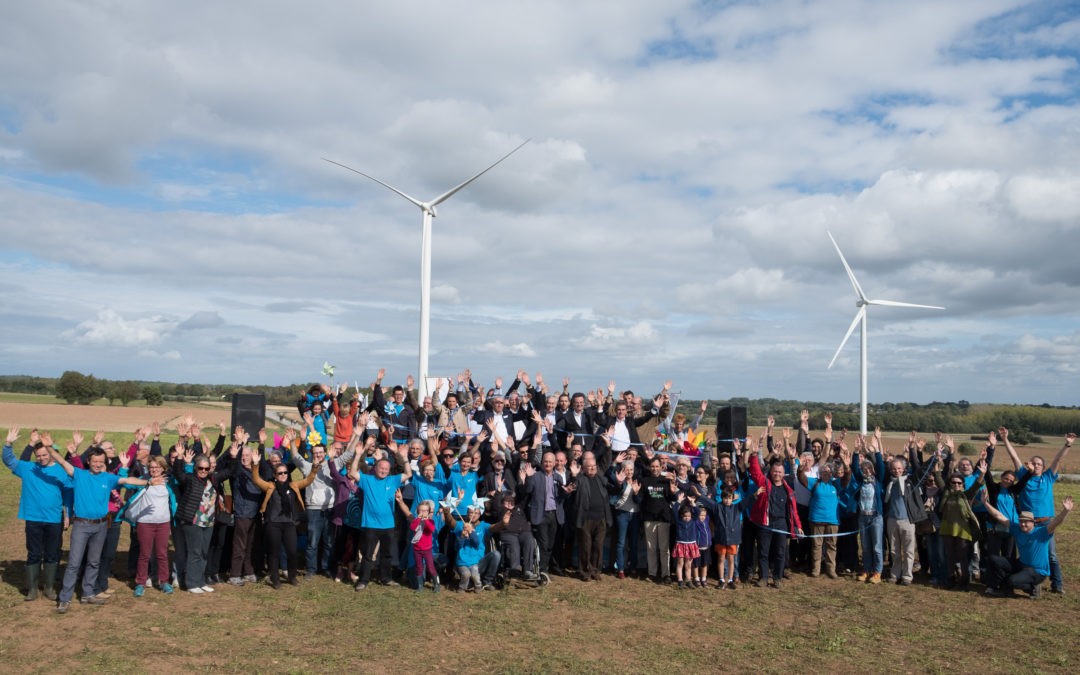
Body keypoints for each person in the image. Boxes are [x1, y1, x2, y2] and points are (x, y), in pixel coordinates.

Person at [48, 444, 148, 613]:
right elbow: (61, 461)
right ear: (89, 461)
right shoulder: (79, 474)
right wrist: (49, 446)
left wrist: (148, 482)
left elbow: (127, 480)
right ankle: (65, 598)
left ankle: (88, 593)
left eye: (101, 462)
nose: (98, 464)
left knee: (94, 562)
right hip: (81, 525)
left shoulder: (108, 478)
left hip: (101, 525)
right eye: (94, 461)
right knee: (74, 563)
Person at [999, 429, 1072, 594]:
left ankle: (1057, 584)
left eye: (1039, 464)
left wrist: (1067, 444)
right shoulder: (1024, 476)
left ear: (1043, 467)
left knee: (1051, 555)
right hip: (1026, 523)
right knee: (1026, 555)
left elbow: (1058, 459)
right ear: (1028, 465)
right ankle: (1030, 583)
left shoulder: (1047, 477)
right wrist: (1005, 439)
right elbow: (1014, 457)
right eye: (1034, 463)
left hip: (1045, 522)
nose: (1036, 466)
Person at [3, 427, 72, 602]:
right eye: (38, 455)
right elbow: (8, 460)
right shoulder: (28, 468)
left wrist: (67, 514)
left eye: (44, 454)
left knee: (52, 553)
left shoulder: (61, 471)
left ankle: (49, 588)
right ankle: (32, 589)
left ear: (50, 453)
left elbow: (68, 495)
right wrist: (8, 443)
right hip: (33, 518)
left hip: (54, 519)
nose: (41, 458)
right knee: (33, 553)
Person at [250, 447, 320, 588]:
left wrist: (314, 468)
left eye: (285, 472)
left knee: (292, 552)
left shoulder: (293, 485)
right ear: (275, 475)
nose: (283, 475)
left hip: (289, 524)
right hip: (273, 524)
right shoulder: (270, 486)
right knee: (274, 553)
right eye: (280, 473)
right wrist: (256, 465)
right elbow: (256, 479)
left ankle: (292, 577)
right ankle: (275, 579)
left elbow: (308, 480)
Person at [982, 494, 1073, 599]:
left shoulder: (1042, 532)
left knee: (1011, 580)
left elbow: (1056, 522)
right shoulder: (1017, 529)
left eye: (1026, 522)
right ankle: (997, 586)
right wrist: (985, 503)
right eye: (1021, 521)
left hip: (1037, 571)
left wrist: (1065, 511)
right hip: (1021, 564)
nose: (1023, 524)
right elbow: (999, 516)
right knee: (993, 559)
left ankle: (1032, 588)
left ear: (1033, 523)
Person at [355, 445, 413, 590]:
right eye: (381, 468)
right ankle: (363, 580)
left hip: (388, 525)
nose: (384, 471)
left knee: (386, 555)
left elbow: (408, 474)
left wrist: (405, 458)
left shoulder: (393, 480)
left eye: (386, 469)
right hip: (370, 524)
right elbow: (352, 472)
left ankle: (386, 578)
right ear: (375, 467)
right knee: (368, 555)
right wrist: (358, 454)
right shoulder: (367, 480)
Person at [747, 439, 803, 589]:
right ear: (771, 472)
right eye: (774, 472)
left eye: (779, 472)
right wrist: (754, 455)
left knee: (780, 552)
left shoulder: (788, 489)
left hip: (781, 524)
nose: (777, 474)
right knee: (763, 552)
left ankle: (777, 578)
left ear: (783, 474)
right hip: (765, 523)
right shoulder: (765, 484)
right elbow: (755, 471)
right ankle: (763, 578)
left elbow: (794, 510)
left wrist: (798, 526)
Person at [117, 455, 175, 596]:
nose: (154, 469)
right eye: (152, 467)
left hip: (163, 523)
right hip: (145, 523)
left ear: (163, 468)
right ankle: (140, 583)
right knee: (144, 554)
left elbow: (183, 478)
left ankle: (164, 582)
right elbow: (125, 484)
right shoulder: (143, 481)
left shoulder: (169, 482)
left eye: (158, 467)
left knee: (162, 554)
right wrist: (124, 467)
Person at [448, 503, 500, 591]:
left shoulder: (484, 525)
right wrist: (446, 512)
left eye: (476, 513)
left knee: (496, 554)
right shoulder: (461, 525)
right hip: (463, 563)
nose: (473, 515)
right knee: (466, 573)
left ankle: (487, 582)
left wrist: (504, 523)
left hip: (477, 563)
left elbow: (494, 528)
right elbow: (450, 521)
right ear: (467, 514)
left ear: (480, 514)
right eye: (471, 513)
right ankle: (468, 583)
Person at [397, 495, 439, 592]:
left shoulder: (431, 521)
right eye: (421, 511)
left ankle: (436, 584)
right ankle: (420, 586)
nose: (423, 513)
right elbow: (413, 527)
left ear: (429, 512)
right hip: (417, 549)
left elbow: (431, 529)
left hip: (427, 550)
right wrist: (419, 519)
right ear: (417, 511)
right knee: (419, 567)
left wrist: (426, 520)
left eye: (425, 511)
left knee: (430, 567)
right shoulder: (416, 521)